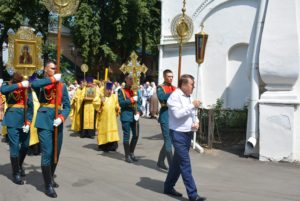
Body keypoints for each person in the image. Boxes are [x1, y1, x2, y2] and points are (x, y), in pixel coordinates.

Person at [31, 60, 70, 198]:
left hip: (57, 121)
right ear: (46, 69)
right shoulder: (41, 84)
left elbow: (67, 106)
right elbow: (33, 83)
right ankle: (47, 185)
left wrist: (62, 117)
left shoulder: (62, 85)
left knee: (56, 153)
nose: (55, 70)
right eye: (52, 68)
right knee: (47, 153)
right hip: (44, 121)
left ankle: (50, 177)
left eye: (56, 68)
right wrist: (52, 80)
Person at [164, 74, 206, 201]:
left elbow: (192, 113)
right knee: (185, 163)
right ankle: (193, 195)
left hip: (187, 133)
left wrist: (196, 121)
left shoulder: (189, 97)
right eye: (191, 84)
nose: (193, 86)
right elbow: (177, 114)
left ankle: (168, 186)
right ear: (183, 85)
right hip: (178, 133)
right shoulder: (174, 96)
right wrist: (192, 105)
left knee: (177, 163)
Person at [1, 72, 33, 185]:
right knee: (14, 147)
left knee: (25, 145)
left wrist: (28, 122)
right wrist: (20, 85)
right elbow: (2, 90)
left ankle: (18, 165)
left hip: (24, 120)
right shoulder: (9, 85)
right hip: (12, 120)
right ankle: (16, 173)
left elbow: (31, 107)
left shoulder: (27, 89)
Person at [118, 73, 142, 163]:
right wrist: (131, 100)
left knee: (136, 135)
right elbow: (121, 103)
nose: (132, 81)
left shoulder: (136, 90)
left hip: (135, 115)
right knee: (126, 136)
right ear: (126, 79)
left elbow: (139, 102)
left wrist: (139, 111)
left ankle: (131, 153)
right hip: (126, 115)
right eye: (130, 79)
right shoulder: (121, 91)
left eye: (133, 79)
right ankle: (127, 155)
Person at [157, 69, 176, 170]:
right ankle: (172, 165)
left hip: (174, 117)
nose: (171, 78)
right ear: (164, 77)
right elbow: (162, 97)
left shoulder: (174, 88)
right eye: (169, 76)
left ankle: (160, 161)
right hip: (165, 116)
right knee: (168, 142)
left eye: (172, 76)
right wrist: (173, 93)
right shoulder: (160, 87)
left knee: (169, 140)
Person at [94, 81, 120, 152]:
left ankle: (112, 146)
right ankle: (104, 145)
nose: (109, 91)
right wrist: (101, 102)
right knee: (104, 130)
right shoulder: (101, 96)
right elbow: (95, 104)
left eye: (110, 90)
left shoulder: (114, 96)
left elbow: (117, 104)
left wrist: (117, 108)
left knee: (112, 131)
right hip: (103, 119)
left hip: (112, 119)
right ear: (105, 90)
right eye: (108, 90)